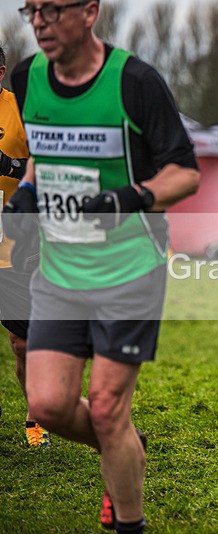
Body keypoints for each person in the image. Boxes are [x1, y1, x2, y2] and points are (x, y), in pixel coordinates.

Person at [4, 1, 199, 532]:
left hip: (129, 268)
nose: (38, 21)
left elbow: (185, 173)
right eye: (30, 10)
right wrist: (26, 193)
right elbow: (44, 150)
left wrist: (126, 198)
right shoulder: (26, 78)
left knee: (109, 407)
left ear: (89, 11)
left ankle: (127, 519)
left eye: (50, 9)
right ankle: (125, 451)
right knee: (47, 404)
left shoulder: (135, 81)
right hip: (60, 270)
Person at [0, 44, 50, 447]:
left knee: (22, 341)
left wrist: (8, 166)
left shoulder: (20, 109)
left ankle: (35, 420)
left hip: (10, 237)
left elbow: (44, 165)